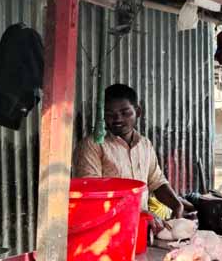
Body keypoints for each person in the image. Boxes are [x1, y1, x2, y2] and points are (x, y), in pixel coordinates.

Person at [73, 84, 185, 231]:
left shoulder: (145, 145)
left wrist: (177, 205)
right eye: (110, 114)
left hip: (141, 228)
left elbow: (156, 181)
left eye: (125, 113)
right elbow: (93, 196)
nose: (117, 119)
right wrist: (141, 213)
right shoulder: (92, 146)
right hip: (107, 230)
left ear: (138, 112)